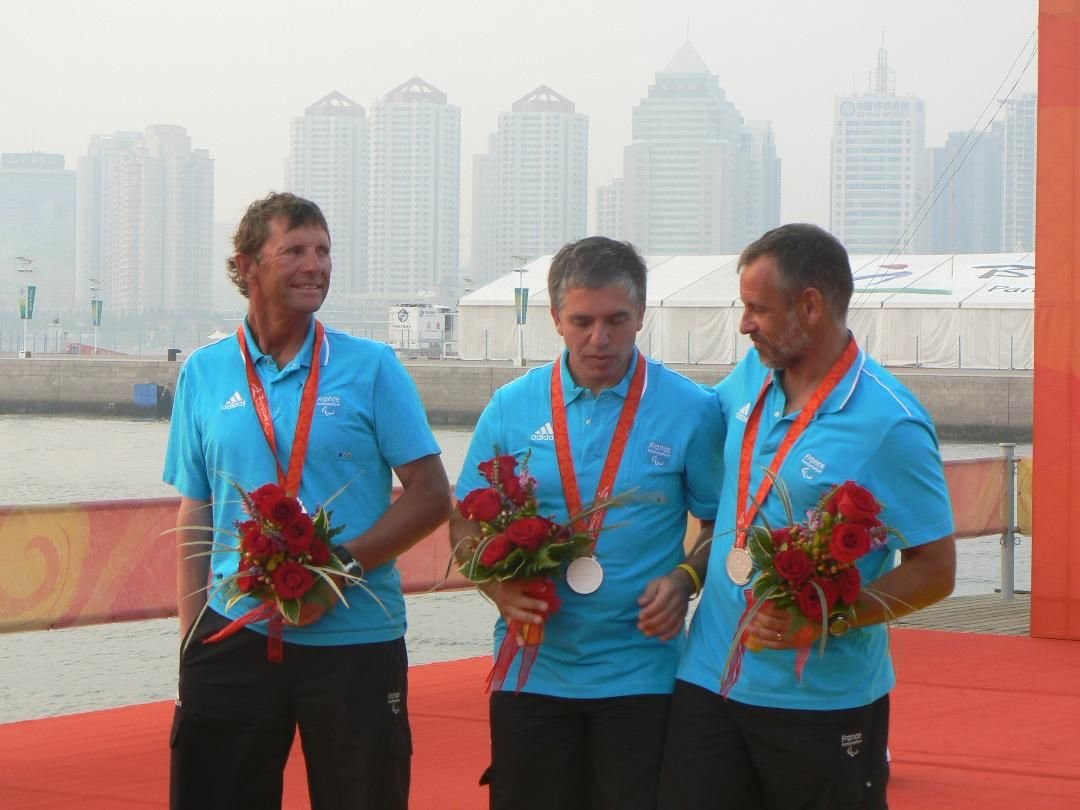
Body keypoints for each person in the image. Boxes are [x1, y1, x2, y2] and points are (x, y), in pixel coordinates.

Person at [164, 192, 452, 810]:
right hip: (232, 637)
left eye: (323, 251)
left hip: (354, 638)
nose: (315, 265)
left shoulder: (371, 367)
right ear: (246, 266)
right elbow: (196, 512)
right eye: (294, 250)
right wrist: (191, 637)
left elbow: (431, 497)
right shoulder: (205, 372)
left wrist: (338, 571)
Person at [658, 223, 957, 810]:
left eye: (757, 309)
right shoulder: (748, 378)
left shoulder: (890, 422)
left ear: (812, 306)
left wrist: (830, 621)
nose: (744, 324)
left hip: (821, 700)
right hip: (707, 678)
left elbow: (936, 569)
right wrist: (685, 573)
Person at [450, 236, 725, 810]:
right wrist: (499, 589)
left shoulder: (692, 409)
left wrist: (684, 581)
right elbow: (465, 522)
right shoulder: (511, 406)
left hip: (643, 674)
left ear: (642, 314)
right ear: (555, 318)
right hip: (532, 669)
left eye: (616, 321)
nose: (599, 339)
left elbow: (723, 523)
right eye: (581, 321)